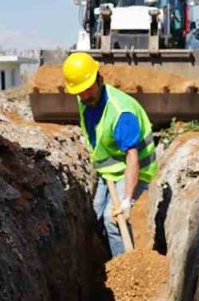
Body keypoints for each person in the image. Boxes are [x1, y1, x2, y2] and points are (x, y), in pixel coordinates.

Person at [61, 52, 158, 258]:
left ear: (98, 78)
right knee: (95, 216)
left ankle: (123, 270)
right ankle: (104, 263)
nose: (85, 96)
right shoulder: (85, 101)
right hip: (110, 168)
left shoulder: (121, 112)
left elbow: (132, 156)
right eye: (80, 92)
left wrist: (127, 200)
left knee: (113, 219)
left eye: (88, 89)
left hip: (133, 167)